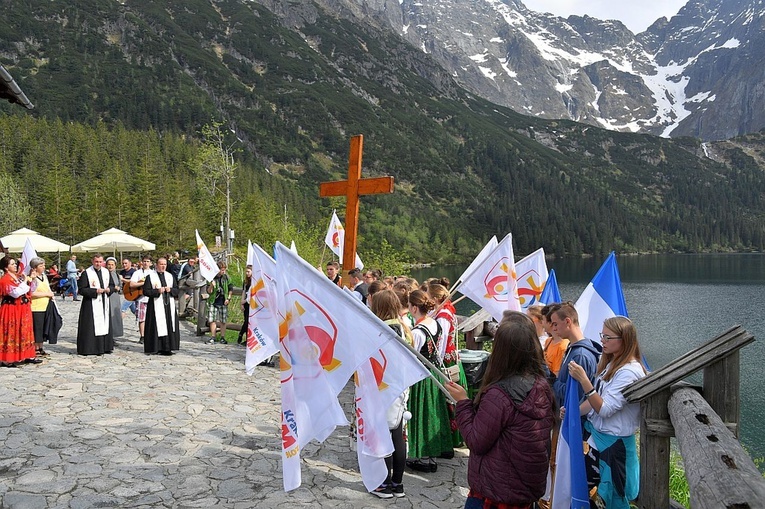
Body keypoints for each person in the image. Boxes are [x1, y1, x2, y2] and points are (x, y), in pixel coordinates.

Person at [446, 315, 554, 509]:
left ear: (501, 351)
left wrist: (462, 402)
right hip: (523, 491)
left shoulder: (500, 395)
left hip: (496, 492)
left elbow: (476, 441)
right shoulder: (541, 385)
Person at [566, 316, 647, 508]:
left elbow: (604, 409)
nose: (602, 340)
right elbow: (596, 401)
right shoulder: (612, 364)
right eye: (603, 335)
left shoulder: (628, 372)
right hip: (600, 442)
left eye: (608, 337)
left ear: (624, 340)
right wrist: (573, 412)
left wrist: (584, 380)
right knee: (583, 489)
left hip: (613, 447)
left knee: (609, 496)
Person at [369, 289, 413, 499]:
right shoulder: (404, 326)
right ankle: (397, 483)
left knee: (385, 436)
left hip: (385, 388)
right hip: (400, 387)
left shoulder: (384, 330)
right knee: (397, 436)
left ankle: (385, 484)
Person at [405, 289, 452, 473]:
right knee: (432, 412)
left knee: (422, 414)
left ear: (414, 308)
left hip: (421, 376)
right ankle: (431, 456)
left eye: (409, 306)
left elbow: (412, 356)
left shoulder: (418, 331)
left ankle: (424, 458)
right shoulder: (434, 323)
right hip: (434, 372)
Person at [550, 302, 602, 406]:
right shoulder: (573, 349)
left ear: (567, 321)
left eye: (555, 324)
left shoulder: (580, 355)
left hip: (576, 418)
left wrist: (552, 380)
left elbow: (574, 394)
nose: (554, 329)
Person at [0, 256, 39, 367]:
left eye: (15, 263)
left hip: (23, 308)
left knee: (24, 330)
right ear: (6, 268)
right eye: (12, 264)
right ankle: (7, 358)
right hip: (11, 309)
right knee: (12, 331)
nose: (15, 265)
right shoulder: (5, 279)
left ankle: (27, 355)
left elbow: (30, 290)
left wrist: (32, 279)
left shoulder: (18, 277)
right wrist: (26, 281)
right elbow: (16, 293)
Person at [76, 253, 115, 356]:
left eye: (100, 262)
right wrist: (95, 291)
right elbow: (81, 290)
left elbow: (112, 285)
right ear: (92, 262)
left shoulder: (106, 272)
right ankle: (91, 348)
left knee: (105, 323)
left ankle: (105, 347)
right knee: (91, 326)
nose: (98, 264)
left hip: (104, 301)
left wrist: (109, 289)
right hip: (91, 303)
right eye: (96, 262)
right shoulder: (87, 273)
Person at [142, 257, 180, 356]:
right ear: (157, 265)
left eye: (165, 264)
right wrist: (157, 291)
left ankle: (168, 348)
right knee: (155, 326)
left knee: (169, 325)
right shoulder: (150, 277)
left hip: (168, 306)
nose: (163, 266)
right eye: (161, 264)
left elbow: (177, 290)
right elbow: (146, 291)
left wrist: (170, 290)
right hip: (155, 306)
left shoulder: (170, 276)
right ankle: (155, 348)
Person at [29, 257, 56, 357]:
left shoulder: (44, 276)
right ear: (35, 268)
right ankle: (36, 348)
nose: (43, 267)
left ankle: (40, 347)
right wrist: (46, 294)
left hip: (46, 306)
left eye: (44, 265)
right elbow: (31, 293)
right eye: (41, 266)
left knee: (44, 327)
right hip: (36, 307)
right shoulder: (33, 279)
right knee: (37, 328)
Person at [130, 256, 154, 344]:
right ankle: (142, 336)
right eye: (144, 261)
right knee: (141, 318)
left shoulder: (153, 273)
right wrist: (144, 283)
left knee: (151, 318)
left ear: (151, 263)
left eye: (148, 261)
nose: (146, 263)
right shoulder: (137, 273)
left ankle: (151, 335)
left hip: (151, 298)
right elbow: (132, 284)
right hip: (141, 298)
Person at [206, 260, 232, 344]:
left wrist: (228, 298)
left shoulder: (227, 278)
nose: (223, 271)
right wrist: (211, 285)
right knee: (212, 320)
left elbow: (230, 288)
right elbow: (209, 291)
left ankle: (222, 337)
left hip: (223, 301)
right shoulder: (212, 278)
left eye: (224, 270)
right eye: (222, 270)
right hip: (213, 301)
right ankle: (213, 337)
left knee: (223, 320)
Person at [105, 257, 124, 338]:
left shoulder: (116, 274)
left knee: (115, 316)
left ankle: (114, 335)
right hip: (108, 297)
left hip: (115, 298)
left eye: (112, 265)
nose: (110, 266)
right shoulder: (104, 274)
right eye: (109, 264)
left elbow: (120, 286)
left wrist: (119, 288)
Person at [237, 264, 252, 345]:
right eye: (246, 271)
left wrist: (245, 301)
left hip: (251, 303)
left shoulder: (254, 281)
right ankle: (243, 336)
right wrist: (241, 303)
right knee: (246, 320)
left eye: (248, 271)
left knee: (249, 322)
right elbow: (244, 292)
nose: (247, 273)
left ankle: (244, 336)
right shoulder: (245, 282)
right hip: (246, 303)